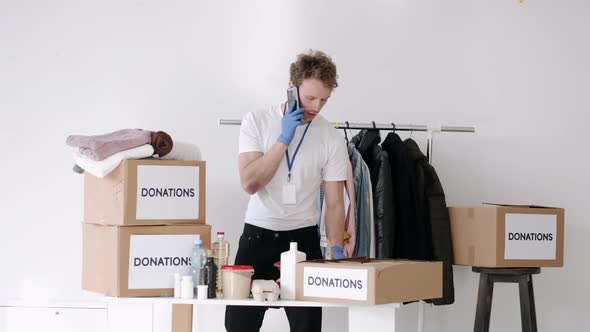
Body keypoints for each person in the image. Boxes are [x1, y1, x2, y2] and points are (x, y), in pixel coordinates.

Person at [225, 50, 348, 332]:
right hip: (258, 235)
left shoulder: (330, 136)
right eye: (310, 98)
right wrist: (283, 139)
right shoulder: (255, 121)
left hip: (304, 240)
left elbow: (334, 204)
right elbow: (249, 182)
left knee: (307, 328)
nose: (317, 107)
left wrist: (337, 248)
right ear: (292, 89)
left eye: (324, 100)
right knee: (237, 326)